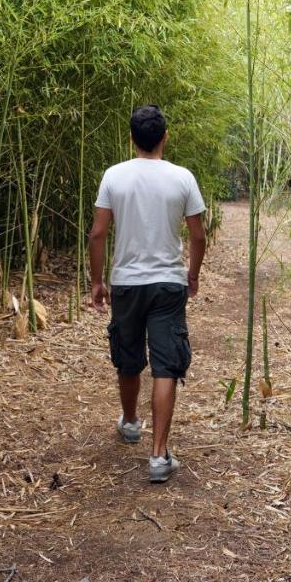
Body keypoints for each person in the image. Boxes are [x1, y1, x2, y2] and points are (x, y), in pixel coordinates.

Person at [88, 105, 206, 483]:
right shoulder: (182, 178)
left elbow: (98, 233)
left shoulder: (114, 176)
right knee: (166, 365)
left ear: (131, 138)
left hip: (126, 282)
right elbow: (198, 235)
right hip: (168, 283)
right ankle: (158, 457)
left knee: (128, 356)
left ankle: (131, 423)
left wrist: (96, 281)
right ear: (165, 136)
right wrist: (192, 273)